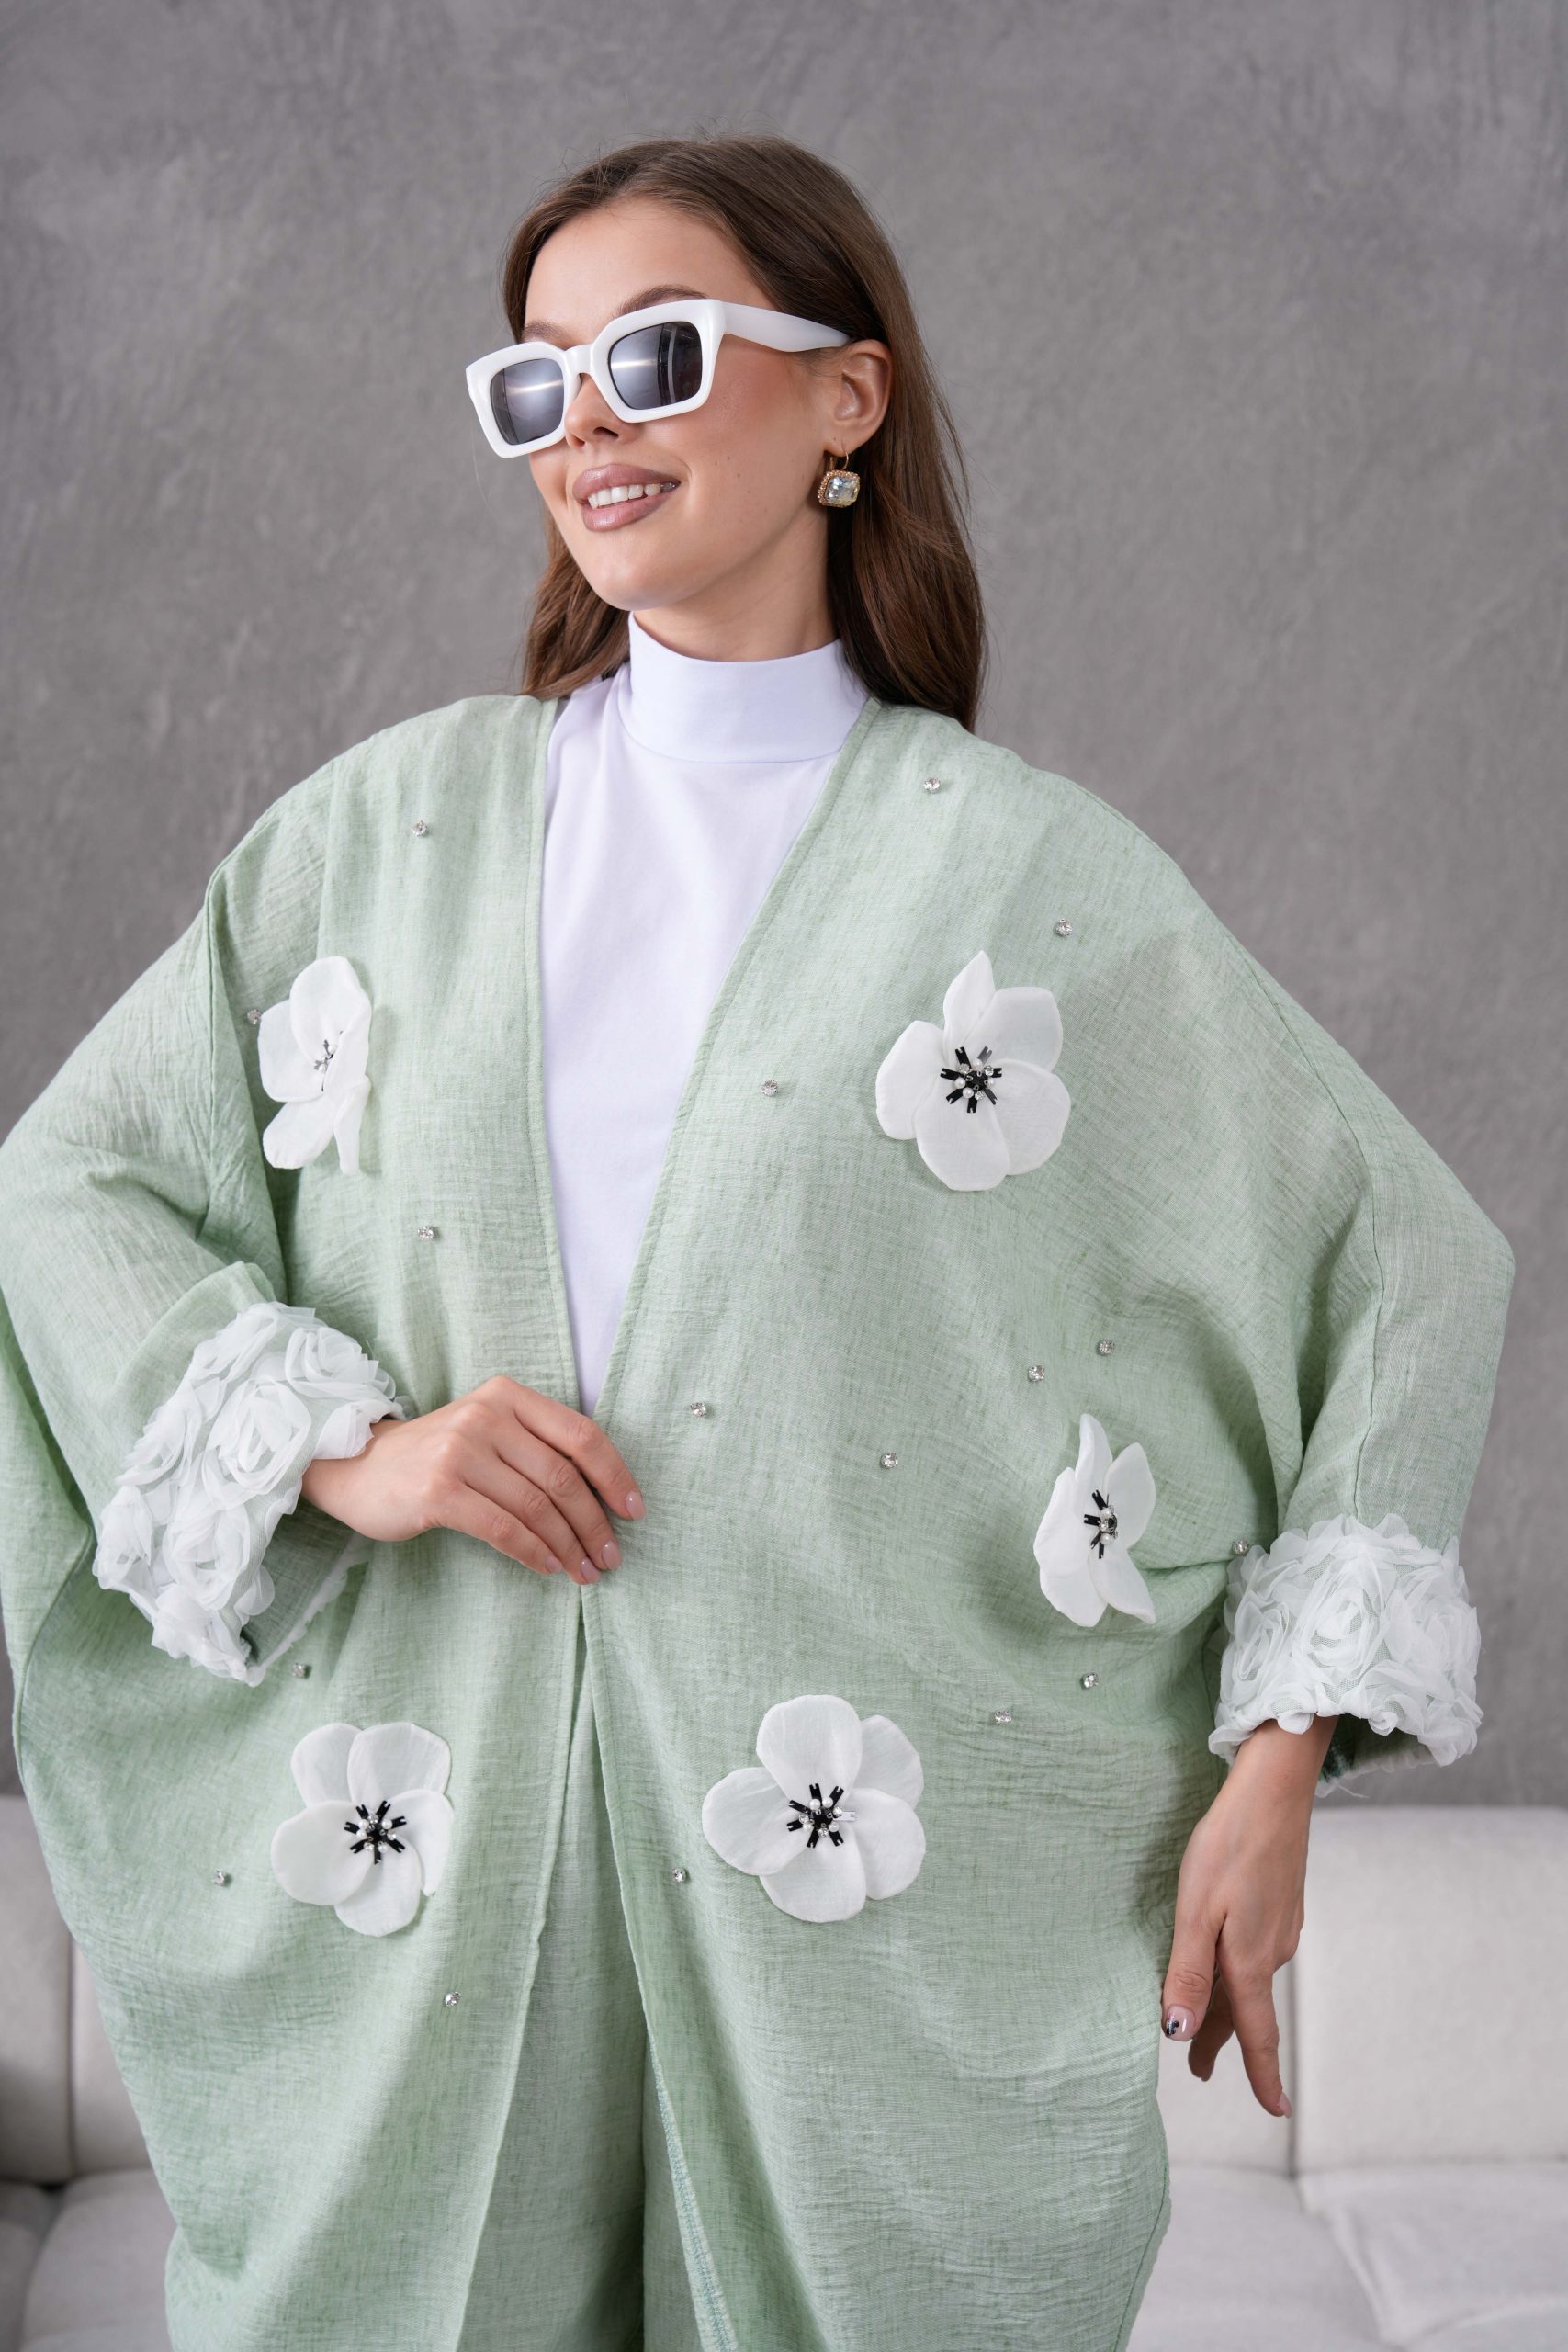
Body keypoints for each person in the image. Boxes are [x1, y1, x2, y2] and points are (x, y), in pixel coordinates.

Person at [0, 131, 1513, 2352]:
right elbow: (72, 1182)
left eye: (655, 354)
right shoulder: (382, 836)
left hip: (859, 1874)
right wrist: (352, 1449)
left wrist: (1275, 1750)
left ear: (845, 396)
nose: (585, 424)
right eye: (537, 381)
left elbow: (1398, 1255)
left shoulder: (1024, 891)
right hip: (444, 1849)